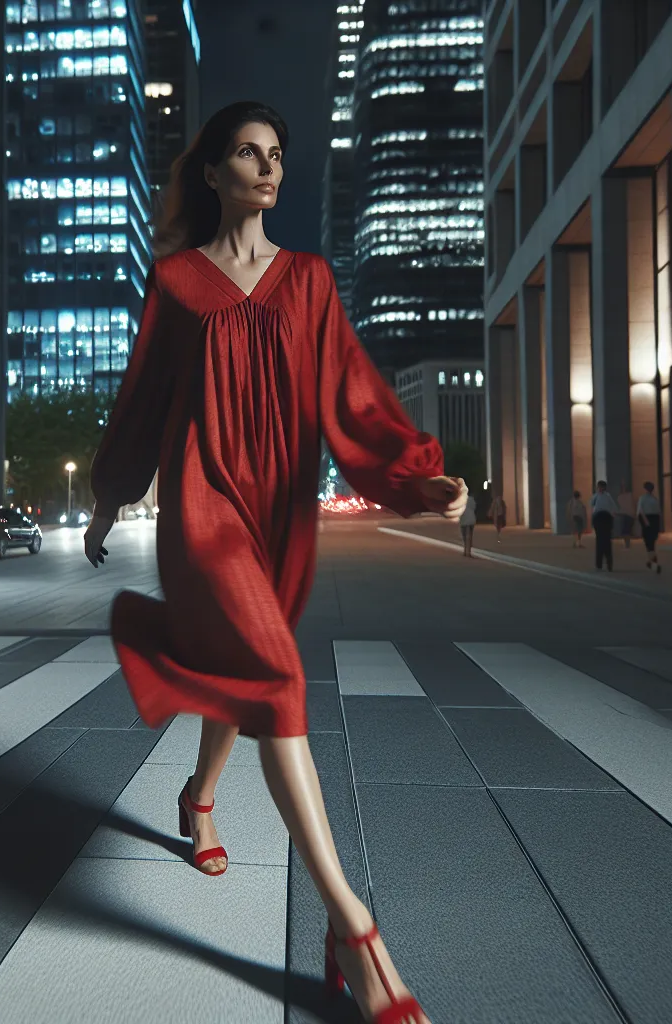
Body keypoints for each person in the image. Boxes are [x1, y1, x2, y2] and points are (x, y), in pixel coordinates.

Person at [83, 103, 463, 1024]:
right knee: (278, 676)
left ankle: (198, 797)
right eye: (246, 153)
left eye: (276, 156)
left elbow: (355, 397)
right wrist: (109, 494)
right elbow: (142, 400)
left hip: (280, 509)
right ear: (211, 173)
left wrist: (413, 482)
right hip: (204, 509)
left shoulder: (310, 282)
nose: (266, 166)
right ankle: (353, 928)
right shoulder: (174, 280)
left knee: (249, 675)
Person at [590, 480, 619, 571]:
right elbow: (614, 508)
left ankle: (604, 564)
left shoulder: (605, 496)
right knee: (604, 540)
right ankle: (603, 564)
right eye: (599, 487)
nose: (600, 489)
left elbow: (591, 505)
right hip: (602, 517)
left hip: (603, 517)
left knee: (603, 541)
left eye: (601, 487)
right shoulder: (599, 496)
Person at [637, 480, 663, 573]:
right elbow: (659, 513)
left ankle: (653, 563)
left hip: (647, 520)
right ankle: (651, 562)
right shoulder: (655, 499)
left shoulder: (642, 498)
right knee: (652, 543)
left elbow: (640, 512)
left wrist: (646, 522)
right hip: (654, 520)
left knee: (649, 543)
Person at [617, 480, 636, 549]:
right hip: (624, 514)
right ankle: (627, 543)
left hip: (629, 514)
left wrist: (634, 513)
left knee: (627, 530)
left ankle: (627, 543)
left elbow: (632, 505)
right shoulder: (620, 496)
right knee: (625, 531)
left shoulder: (629, 495)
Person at [460, 491, 477, 557]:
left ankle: (465, 551)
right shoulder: (472, 500)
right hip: (471, 519)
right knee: (469, 536)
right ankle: (468, 551)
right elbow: (474, 508)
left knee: (465, 536)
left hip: (464, 520)